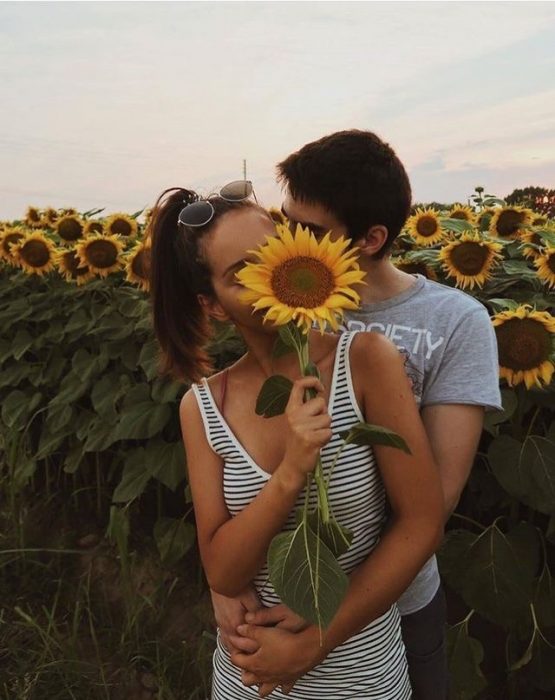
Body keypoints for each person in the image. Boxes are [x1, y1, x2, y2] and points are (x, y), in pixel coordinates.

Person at [211, 131, 503, 700]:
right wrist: (222, 578)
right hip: (280, 596)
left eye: (312, 231)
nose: (293, 239)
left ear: (371, 238)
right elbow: (238, 440)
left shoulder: (455, 322)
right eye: (286, 220)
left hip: (393, 600)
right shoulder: (283, 306)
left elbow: (434, 499)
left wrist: (327, 619)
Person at [149, 183, 444, 699]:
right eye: (242, 274)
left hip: (362, 676)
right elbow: (222, 569)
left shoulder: (366, 362)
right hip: (249, 679)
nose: (268, 275)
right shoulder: (203, 407)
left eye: (271, 255)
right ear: (212, 305)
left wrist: (318, 638)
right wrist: (290, 472)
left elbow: (422, 522)